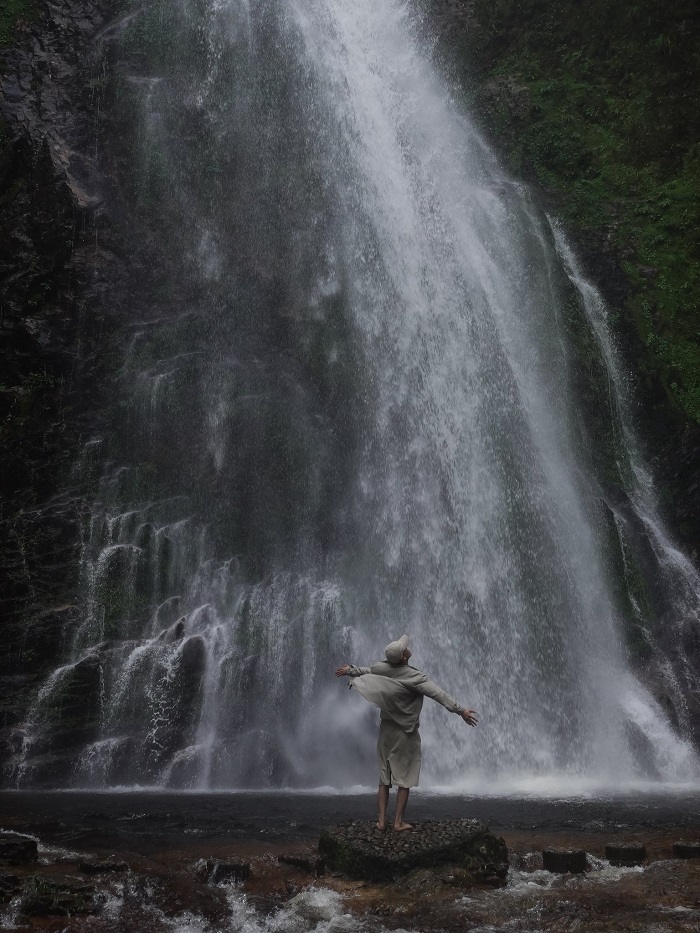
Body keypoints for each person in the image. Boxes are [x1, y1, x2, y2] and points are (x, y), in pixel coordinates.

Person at [336, 634, 478, 832]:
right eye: (404, 648)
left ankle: (381, 822)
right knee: (405, 776)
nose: (407, 648)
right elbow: (439, 694)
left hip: (386, 729)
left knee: (384, 776)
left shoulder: (381, 668)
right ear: (404, 657)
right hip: (406, 731)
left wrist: (350, 671)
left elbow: (369, 670)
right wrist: (460, 710)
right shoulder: (415, 678)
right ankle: (398, 822)